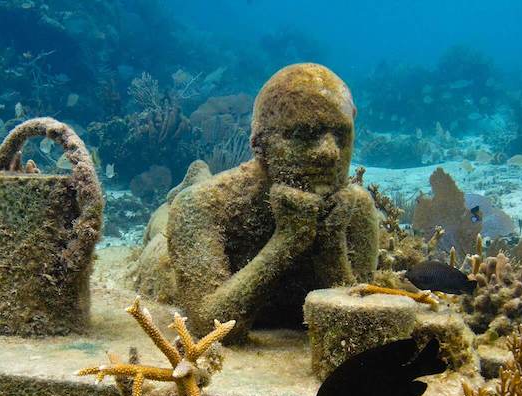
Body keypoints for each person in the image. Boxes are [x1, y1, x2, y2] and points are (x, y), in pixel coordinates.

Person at [141, 63, 379, 343]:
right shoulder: (202, 206)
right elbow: (210, 327)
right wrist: (287, 241)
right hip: (165, 254)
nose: (329, 153)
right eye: (304, 135)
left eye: (341, 135)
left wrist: (331, 243)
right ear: (259, 145)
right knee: (162, 227)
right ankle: (196, 174)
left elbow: (355, 327)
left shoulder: (356, 208)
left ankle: (200, 173)